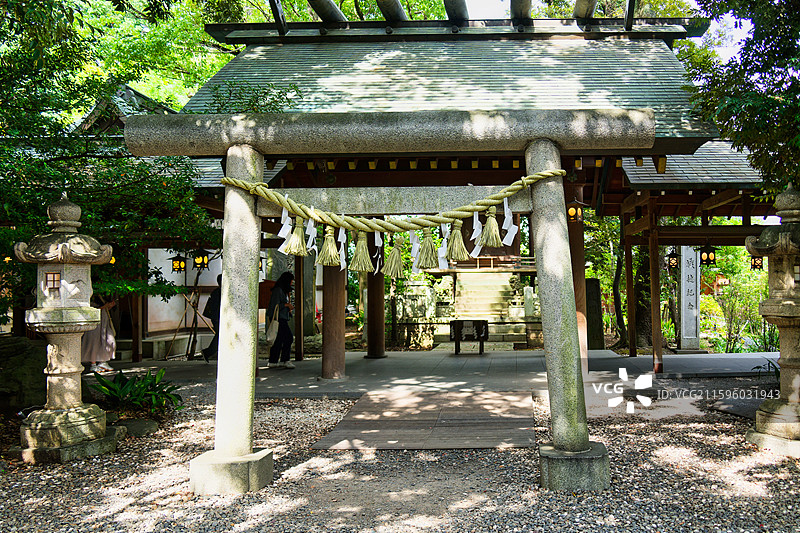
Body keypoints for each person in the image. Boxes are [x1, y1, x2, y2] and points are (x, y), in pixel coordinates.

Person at [267, 272, 295, 369]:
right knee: (288, 337)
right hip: (279, 318)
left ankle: (273, 361)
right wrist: (286, 305)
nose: (292, 283)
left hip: (282, 317)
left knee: (278, 340)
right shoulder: (278, 290)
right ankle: (285, 360)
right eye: (291, 281)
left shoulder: (282, 290)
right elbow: (275, 305)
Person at [82, 300, 116, 373]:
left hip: (103, 322)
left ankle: (103, 361)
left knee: (109, 341)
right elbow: (92, 310)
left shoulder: (101, 297)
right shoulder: (90, 298)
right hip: (94, 322)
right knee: (94, 342)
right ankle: (93, 365)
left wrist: (108, 306)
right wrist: (105, 306)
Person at [201, 274, 222, 362]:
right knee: (220, 336)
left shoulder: (217, 292)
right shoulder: (218, 293)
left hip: (217, 318)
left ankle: (209, 352)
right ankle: (208, 352)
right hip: (217, 318)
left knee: (220, 336)